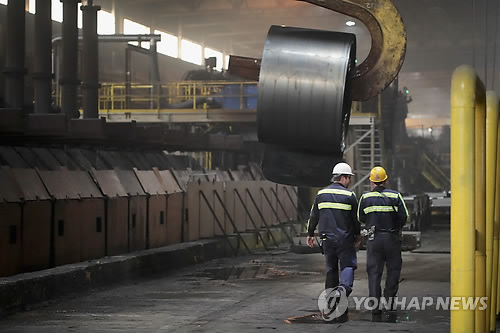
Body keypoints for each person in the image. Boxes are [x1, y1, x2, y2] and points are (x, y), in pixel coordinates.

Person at [307, 162, 361, 303]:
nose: (349, 181)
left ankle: (330, 298)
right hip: (345, 239)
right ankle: (343, 290)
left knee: (331, 269)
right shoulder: (350, 195)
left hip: (327, 240)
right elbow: (355, 219)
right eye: (349, 178)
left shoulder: (321, 194)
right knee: (348, 265)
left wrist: (310, 234)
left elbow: (313, 216)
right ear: (343, 177)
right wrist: (357, 235)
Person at [357, 166, 408, 315]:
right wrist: (395, 227)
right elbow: (404, 217)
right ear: (385, 180)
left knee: (374, 273)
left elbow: (360, 217)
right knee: (393, 270)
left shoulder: (365, 198)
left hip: (374, 239)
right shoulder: (395, 196)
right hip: (392, 239)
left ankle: (375, 306)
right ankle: (390, 302)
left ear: (371, 182)